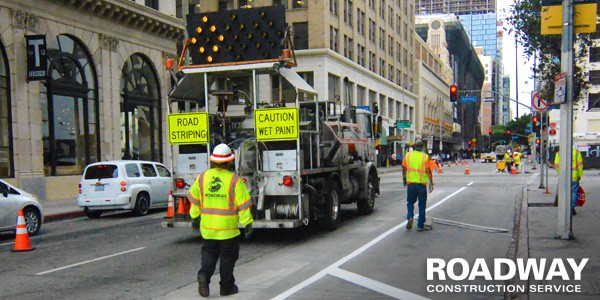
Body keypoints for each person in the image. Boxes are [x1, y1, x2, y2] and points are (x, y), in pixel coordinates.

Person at [187, 143, 254, 297]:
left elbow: (195, 200)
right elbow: (244, 205)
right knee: (227, 259)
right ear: (229, 161)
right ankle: (226, 287)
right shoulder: (234, 180)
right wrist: (247, 223)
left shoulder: (202, 177)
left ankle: (204, 275)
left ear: (213, 161)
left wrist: (195, 218)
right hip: (228, 230)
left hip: (208, 229)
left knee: (209, 256)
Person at [402, 139, 434, 231]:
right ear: (422, 147)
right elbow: (428, 171)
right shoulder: (425, 157)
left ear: (414, 147)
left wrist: (404, 178)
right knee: (422, 205)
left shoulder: (408, 155)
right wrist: (431, 183)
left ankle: (410, 216)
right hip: (421, 185)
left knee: (410, 202)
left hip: (411, 184)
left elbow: (404, 168)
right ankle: (420, 226)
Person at [553, 148, 584, 215]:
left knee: (564, 192)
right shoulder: (576, 152)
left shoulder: (559, 153)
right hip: (574, 177)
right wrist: (580, 175)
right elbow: (580, 165)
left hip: (564, 177)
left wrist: (560, 174)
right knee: (574, 192)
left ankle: (564, 207)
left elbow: (556, 165)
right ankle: (572, 207)